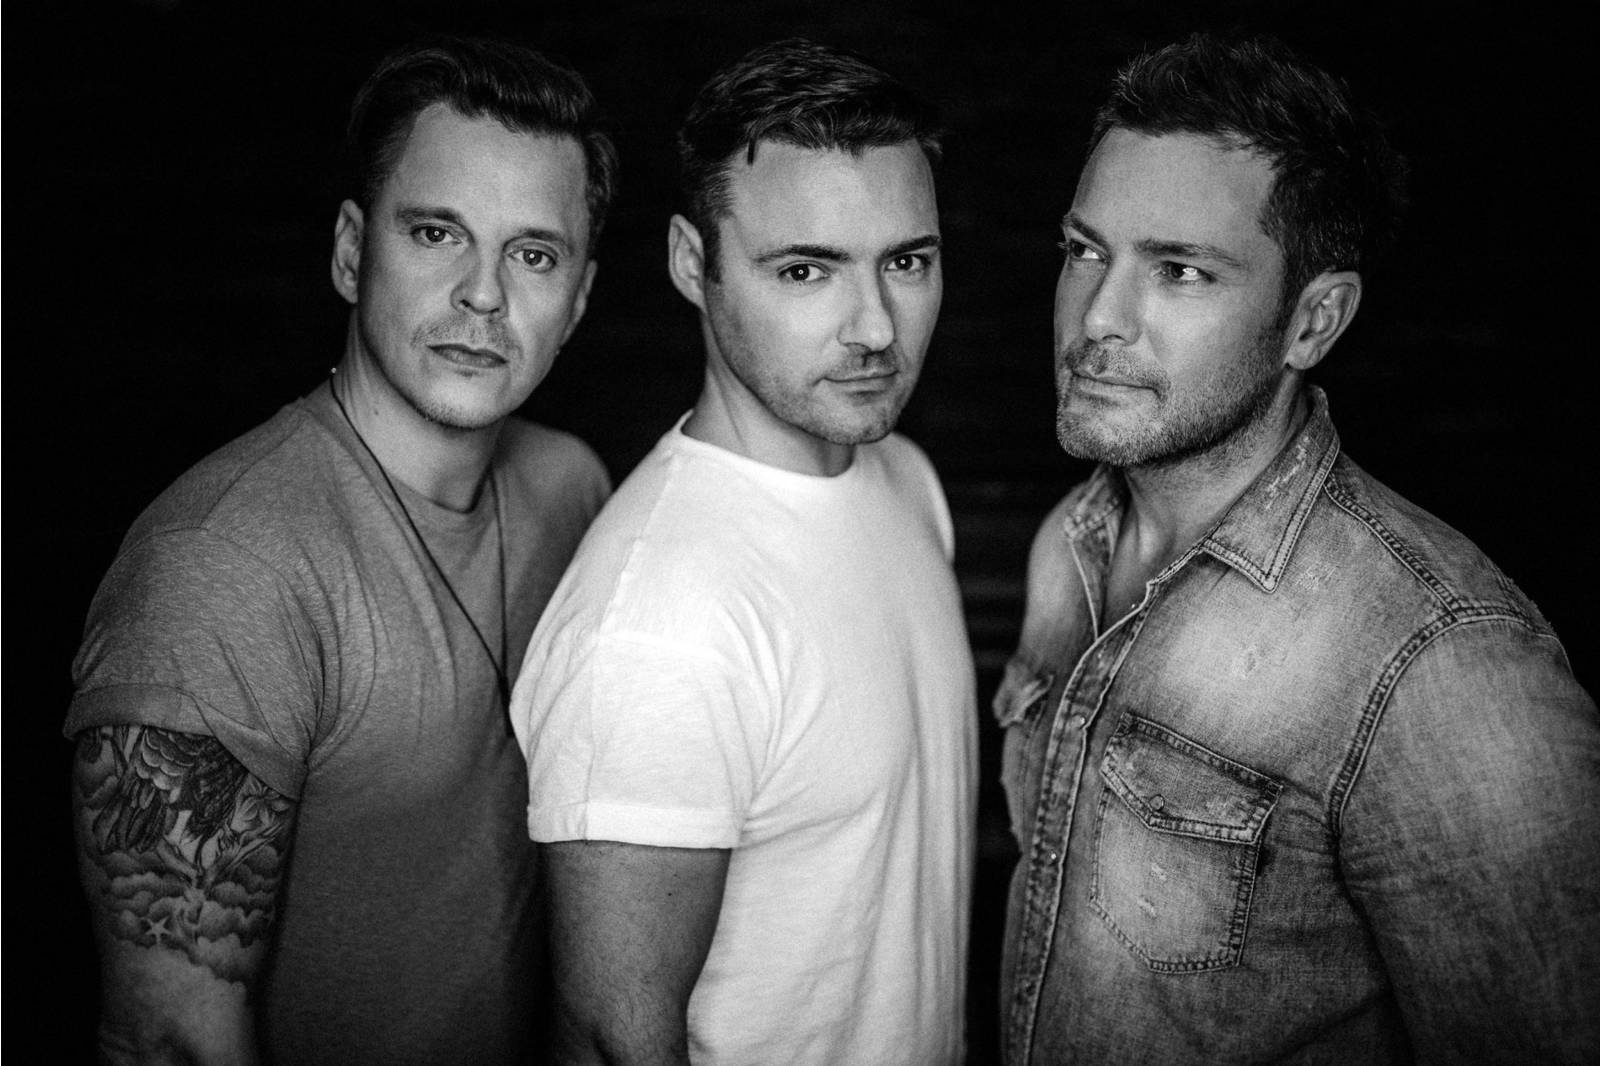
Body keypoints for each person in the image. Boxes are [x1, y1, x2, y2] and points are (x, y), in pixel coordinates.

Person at [995, 32, 1600, 1065]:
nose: (1097, 318)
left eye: (1179, 271)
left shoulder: (1446, 668)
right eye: (1085, 250)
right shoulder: (1071, 541)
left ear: (1313, 322)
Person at [66, 37, 616, 1066]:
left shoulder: (572, 488)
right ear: (353, 253)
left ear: (579, 299)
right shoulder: (221, 571)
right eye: (437, 233)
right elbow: (168, 1040)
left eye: (533, 255)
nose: (484, 294)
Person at [509, 37, 976, 1066]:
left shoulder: (904, 479)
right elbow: (611, 1040)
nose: (875, 327)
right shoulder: (660, 628)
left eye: (907, 262)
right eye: (805, 270)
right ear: (693, 263)